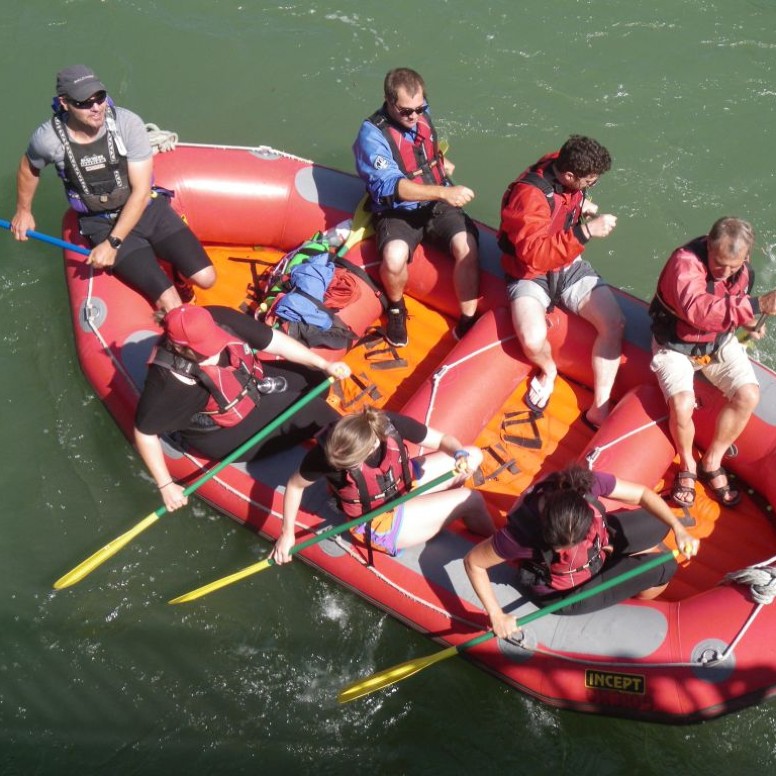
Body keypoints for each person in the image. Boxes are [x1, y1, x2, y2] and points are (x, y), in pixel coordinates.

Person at [10, 64, 215, 312]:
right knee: (170, 302)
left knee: (206, 278)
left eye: (99, 97)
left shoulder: (128, 124)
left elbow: (140, 192)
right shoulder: (48, 139)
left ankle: (179, 276)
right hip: (100, 222)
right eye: (84, 102)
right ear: (65, 103)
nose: (96, 107)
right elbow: (28, 167)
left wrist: (112, 245)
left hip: (146, 209)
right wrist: (24, 211)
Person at [134, 304, 350, 513]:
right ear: (180, 348)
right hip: (222, 431)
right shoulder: (168, 383)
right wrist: (165, 486)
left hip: (248, 382)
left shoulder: (217, 317)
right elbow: (144, 433)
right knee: (314, 410)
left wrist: (323, 364)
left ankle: (312, 433)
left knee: (315, 379)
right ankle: (351, 481)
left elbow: (275, 342)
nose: (216, 350)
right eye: (205, 350)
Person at [464, 464, 699, 639]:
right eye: (561, 546)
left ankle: (611, 555)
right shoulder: (520, 534)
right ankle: (629, 596)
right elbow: (473, 562)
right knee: (666, 566)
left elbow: (642, 495)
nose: (567, 548)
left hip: (596, 547)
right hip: (567, 591)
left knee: (660, 521)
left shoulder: (583, 484)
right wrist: (496, 615)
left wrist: (679, 528)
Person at [649, 217, 776, 508]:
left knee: (748, 394)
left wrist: (749, 322)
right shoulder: (684, 263)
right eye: (719, 263)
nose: (726, 272)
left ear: (746, 256)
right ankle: (687, 466)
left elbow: (731, 305)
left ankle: (711, 461)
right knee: (681, 403)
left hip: (717, 342)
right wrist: (756, 305)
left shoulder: (743, 271)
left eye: (735, 265)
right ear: (708, 244)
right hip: (676, 346)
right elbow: (699, 311)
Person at [498, 135, 623, 428]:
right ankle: (548, 369)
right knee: (531, 337)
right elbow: (536, 256)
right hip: (530, 271)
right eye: (590, 181)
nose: (592, 185)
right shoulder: (529, 197)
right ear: (568, 175)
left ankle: (599, 407)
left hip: (566, 262)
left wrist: (583, 204)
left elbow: (569, 199)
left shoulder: (562, 163)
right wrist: (586, 231)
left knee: (614, 323)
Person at [353, 67, 480, 347]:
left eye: (419, 109)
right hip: (400, 210)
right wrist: (443, 192)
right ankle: (396, 309)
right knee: (394, 257)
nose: (413, 117)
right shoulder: (372, 135)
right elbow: (392, 186)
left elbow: (423, 149)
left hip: (436, 201)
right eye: (406, 111)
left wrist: (439, 163)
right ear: (389, 101)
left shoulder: (420, 113)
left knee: (467, 246)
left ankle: (468, 319)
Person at [270, 406, 494, 563]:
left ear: (370, 446)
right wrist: (287, 533)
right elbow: (295, 485)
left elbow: (443, 440)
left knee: (474, 455)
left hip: (403, 484)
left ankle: (439, 510)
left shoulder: (388, 424)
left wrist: (459, 453)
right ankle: (495, 543)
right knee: (472, 499)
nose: (334, 465)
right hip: (379, 519)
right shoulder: (328, 454)